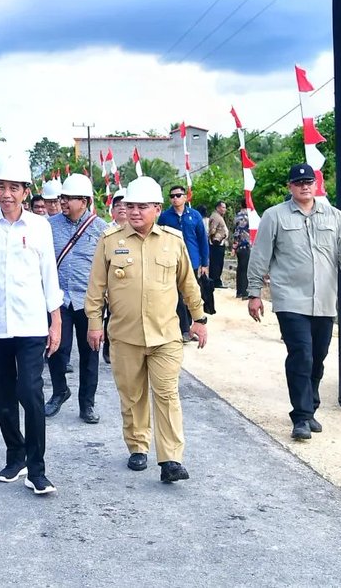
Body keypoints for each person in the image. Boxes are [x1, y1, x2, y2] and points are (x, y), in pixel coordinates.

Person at [84, 176, 207, 484]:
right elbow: (96, 288)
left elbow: (187, 284)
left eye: (142, 207)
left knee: (167, 394)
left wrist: (199, 319)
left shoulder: (173, 241)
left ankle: (170, 459)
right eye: (131, 206)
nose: (135, 212)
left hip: (165, 335)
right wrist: (95, 324)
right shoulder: (111, 242)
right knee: (133, 394)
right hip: (125, 336)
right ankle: (138, 446)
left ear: (157, 208)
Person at [0, 157, 63, 496]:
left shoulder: (39, 227)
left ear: (25, 192)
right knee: (4, 394)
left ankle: (37, 468)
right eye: (1, 187)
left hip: (32, 322)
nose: (6, 194)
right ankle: (14, 455)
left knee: (30, 393)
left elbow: (49, 274)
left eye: (13, 188)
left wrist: (56, 319)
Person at [246, 163, 341, 441]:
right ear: (290, 187)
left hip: (324, 300)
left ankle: (310, 407)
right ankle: (300, 416)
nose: (304, 186)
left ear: (317, 184)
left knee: (318, 357)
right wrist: (254, 293)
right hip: (290, 299)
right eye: (298, 182)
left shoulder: (335, 217)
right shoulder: (274, 216)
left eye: (309, 181)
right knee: (301, 353)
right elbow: (260, 255)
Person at [46, 173, 109, 424]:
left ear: (84, 201)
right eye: (62, 198)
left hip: (89, 302)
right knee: (56, 349)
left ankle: (87, 404)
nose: (63, 202)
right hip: (59, 300)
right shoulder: (50, 226)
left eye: (69, 198)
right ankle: (59, 391)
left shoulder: (102, 229)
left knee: (89, 353)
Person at [157, 185, 209, 339]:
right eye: (172, 196)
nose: (175, 198)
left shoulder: (195, 216)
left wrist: (205, 263)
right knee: (177, 296)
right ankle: (184, 329)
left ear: (185, 197)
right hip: (171, 261)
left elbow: (202, 239)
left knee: (191, 294)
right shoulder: (165, 217)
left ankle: (194, 325)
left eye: (178, 195)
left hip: (192, 261)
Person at [101, 187, 129, 364]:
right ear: (112, 211)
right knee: (109, 317)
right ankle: (109, 349)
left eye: (125, 205)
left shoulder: (138, 230)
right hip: (110, 284)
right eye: (117, 205)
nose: (122, 209)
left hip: (129, 284)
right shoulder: (106, 232)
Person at [232, 206, 252, 299]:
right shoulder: (250, 216)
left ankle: (239, 291)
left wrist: (234, 245)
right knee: (245, 269)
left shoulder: (237, 216)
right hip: (246, 245)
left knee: (240, 268)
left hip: (238, 245)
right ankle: (245, 292)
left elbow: (235, 230)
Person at [208, 201, 230, 288]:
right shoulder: (216, 217)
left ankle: (216, 280)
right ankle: (215, 281)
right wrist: (216, 239)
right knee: (216, 263)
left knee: (218, 263)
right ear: (218, 208)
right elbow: (212, 229)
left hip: (219, 243)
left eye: (225, 207)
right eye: (223, 207)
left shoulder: (218, 216)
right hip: (216, 244)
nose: (224, 209)